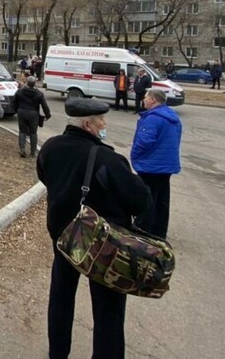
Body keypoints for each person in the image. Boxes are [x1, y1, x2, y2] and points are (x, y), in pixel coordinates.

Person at [36, 98, 151, 358]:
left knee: (61, 298)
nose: (105, 124)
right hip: (104, 246)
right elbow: (141, 202)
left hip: (65, 237)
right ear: (88, 125)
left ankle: (58, 352)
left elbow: (45, 178)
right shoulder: (107, 159)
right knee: (108, 310)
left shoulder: (50, 147)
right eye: (101, 120)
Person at [131, 88, 182, 239]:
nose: (144, 99)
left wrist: (134, 155)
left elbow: (144, 141)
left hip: (150, 166)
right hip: (166, 165)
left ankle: (144, 230)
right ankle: (159, 232)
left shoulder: (153, 118)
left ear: (153, 100)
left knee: (147, 199)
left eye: (146, 97)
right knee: (162, 201)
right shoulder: (173, 117)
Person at [14, 75, 51, 157]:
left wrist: (16, 110)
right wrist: (48, 115)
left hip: (22, 112)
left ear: (27, 82)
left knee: (22, 131)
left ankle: (22, 149)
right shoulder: (39, 93)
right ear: (34, 84)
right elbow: (44, 105)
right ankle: (33, 152)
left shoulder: (20, 91)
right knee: (33, 133)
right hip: (33, 114)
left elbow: (14, 101)